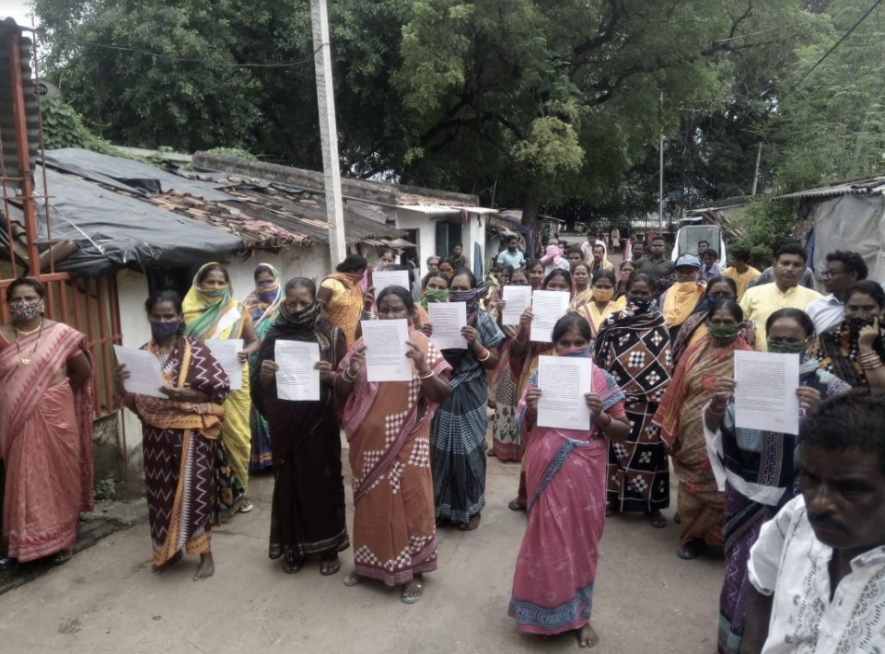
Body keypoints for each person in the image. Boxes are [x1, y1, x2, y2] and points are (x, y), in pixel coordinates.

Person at [705, 308, 850, 654]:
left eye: (792, 340)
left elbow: (854, 444)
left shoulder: (830, 386)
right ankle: (733, 643)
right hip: (747, 494)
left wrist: (822, 412)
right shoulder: (750, 374)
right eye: (777, 339)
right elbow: (714, 426)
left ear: (809, 341)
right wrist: (718, 402)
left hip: (801, 498)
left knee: (794, 576)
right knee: (743, 568)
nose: (783, 344)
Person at [509, 314, 630, 648]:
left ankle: (580, 616)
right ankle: (538, 611)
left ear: (591, 343)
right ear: (555, 345)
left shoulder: (603, 379)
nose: (573, 348)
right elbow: (522, 422)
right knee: (545, 539)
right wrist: (532, 409)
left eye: (579, 342)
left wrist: (601, 416)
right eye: (565, 343)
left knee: (580, 543)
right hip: (546, 465)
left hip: (585, 471)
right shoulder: (541, 375)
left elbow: (622, 430)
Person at [742, 390, 885, 654]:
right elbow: (761, 574)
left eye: (851, 489)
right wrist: (751, 647)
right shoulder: (796, 516)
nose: (818, 504)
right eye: (810, 478)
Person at [336, 286, 452, 603]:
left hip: (409, 441)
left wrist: (423, 369)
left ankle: (413, 571)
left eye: (396, 309)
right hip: (368, 444)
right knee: (370, 504)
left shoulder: (422, 344)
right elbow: (341, 388)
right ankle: (368, 565)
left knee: (411, 504)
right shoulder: (364, 343)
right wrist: (352, 371)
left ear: (410, 312)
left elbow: (442, 393)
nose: (389, 315)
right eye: (384, 309)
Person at [116, 290, 229, 581]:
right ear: (149, 317)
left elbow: (219, 387)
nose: (163, 321)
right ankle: (168, 551)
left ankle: (205, 554)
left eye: (169, 316)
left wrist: (190, 395)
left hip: (192, 434)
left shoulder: (198, 351)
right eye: (157, 316)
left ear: (179, 317)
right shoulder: (141, 354)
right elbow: (132, 399)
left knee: (196, 492)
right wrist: (120, 385)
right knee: (160, 494)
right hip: (154, 433)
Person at [251, 278, 349, 576]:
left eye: (304, 303)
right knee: (289, 483)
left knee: (323, 482)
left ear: (315, 302)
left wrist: (330, 375)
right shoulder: (274, 334)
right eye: (291, 303)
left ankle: (329, 548)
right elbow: (258, 388)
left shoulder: (332, 334)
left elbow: (347, 384)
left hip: (320, 423)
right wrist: (264, 377)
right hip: (286, 423)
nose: (296, 309)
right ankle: (292, 547)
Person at [0, 278, 93, 565]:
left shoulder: (60, 334)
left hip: (56, 417)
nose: (23, 304)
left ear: (41, 303)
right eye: (16, 299)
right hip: (15, 419)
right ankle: (25, 542)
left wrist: (51, 393)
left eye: (29, 298)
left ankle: (63, 539)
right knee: (23, 479)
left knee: (58, 475)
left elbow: (82, 372)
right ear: (8, 304)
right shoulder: (1, 336)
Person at [654, 299, 750, 560]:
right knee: (691, 485)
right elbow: (677, 385)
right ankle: (692, 537)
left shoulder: (748, 356)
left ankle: (719, 538)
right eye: (716, 321)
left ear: (739, 325)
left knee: (719, 485)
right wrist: (670, 424)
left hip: (724, 433)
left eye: (728, 322)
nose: (721, 325)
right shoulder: (695, 349)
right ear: (708, 322)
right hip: (691, 427)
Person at [594, 272, 673, 527]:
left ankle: (651, 505)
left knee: (649, 452)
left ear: (653, 295)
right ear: (626, 293)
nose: (639, 297)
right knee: (614, 450)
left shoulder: (659, 322)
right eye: (634, 292)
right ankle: (611, 499)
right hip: (616, 397)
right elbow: (601, 356)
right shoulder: (613, 321)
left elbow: (664, 361)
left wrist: (658, 396)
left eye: (644, 293)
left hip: (648, 401)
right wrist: (605, 390)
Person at [429, 269, 505, 530]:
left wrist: (475, 344)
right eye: (455, 288)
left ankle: (471, 510)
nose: (459, 292)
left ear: (474, 290)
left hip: (471, 389)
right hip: (443, 388)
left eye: (464, 288)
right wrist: (427, 334)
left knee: (470, 449)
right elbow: (428, 354)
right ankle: (441, 509)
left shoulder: (483, 319)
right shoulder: (438, 316)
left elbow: (493, 361)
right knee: (440, 448)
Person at [183, 262, 260, 517]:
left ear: (227, 284)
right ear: (199, 283)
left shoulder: (238, 310)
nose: (216, 286)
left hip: (234, 380)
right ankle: (208, 495)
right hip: (200, 383)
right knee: (203, 436)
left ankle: (240, 492)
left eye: (220, 282)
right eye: (210, 282)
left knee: (237, 435)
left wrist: (246, 352)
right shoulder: (186, 312)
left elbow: (254, 341)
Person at [508, 268, 574, 511]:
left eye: (562, 286)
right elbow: (516, 352)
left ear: (571, 290)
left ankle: (555, 497)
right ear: (544, 288)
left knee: (560, 436)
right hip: (535, 377)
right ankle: (526, 495)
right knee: (533, 435)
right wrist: (524, 330)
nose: (556, 290)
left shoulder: (577, 315)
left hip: (566, 378)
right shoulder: (532, 313)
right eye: (552, 285)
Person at [740, 242, 822, 351]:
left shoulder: (817, 300)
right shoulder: (752, 294)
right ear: (774, 265)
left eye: (796, 265)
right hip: (755, 359)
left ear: (804, 270)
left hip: (800, 361)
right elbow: (738, 327)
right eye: (785, 263)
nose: (790, 269)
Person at [243, 264, 283, 473]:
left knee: (276, 406)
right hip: (254, 364)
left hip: (279, 364)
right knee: (257, 407)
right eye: (261, 282)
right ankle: (261, 459)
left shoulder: (287, 304)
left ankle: (279, 455)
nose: (266, 286)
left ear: (277, 280)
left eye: (269, 281)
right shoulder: (247, 307)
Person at [813, 280, 885, 389]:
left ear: (881, 309)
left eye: (868, 308)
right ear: (844, 309)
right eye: (853, 308)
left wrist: (866, 347)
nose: (860, 314)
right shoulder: (828, 338)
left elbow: (880, 389)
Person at [490, 268, 530, 462]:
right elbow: (497, 331)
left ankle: (522, 449)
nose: (519, 284)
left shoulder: (536, 302)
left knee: (524, 399)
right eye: (515, 281)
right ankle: (502, 447)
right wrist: (500, 313)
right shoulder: (504, 301)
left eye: (522, 281)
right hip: (508, 353)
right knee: (505, 396)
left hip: (529, 354)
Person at [670, 276, 741, 364]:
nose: (720, 298)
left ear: (735, 298)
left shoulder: (745, 329)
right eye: (715, 294)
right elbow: (678, 354)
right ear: (706, 297)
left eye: (726, 294)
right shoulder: (692, 322)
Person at [805, 250, 868, 335]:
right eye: (825, 273)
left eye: (832, 273)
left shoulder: (874, 308)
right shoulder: (815, 308)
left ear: (852, 275)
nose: (825, 278)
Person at [319, 254, 368, 349]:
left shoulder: (357, 286)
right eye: (361, 271)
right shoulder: (330, 283)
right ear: (353, 269)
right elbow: (318, 309)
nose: (362, 275)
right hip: (334, 336)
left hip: (354, 337)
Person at [657, 254, 706, 341]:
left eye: (689, 272)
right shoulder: (665, 295)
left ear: (699, 273)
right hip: (667, 337)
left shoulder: (704, 293)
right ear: (675, 273)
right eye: (681, 272)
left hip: (693, 338)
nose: (684, 275)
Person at [574, 270, 626, 339]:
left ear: (614, 288)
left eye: (607, 287)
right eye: (599, 286)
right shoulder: (582, 310)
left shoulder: (620, 309)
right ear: (592, 286)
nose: (603, 290)